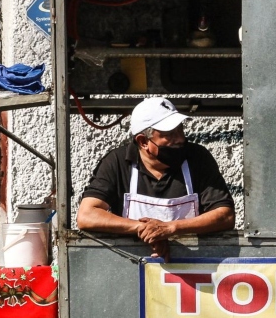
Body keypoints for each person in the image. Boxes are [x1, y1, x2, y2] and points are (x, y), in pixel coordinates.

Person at [77, 97, 235, 259]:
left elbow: (225, 215)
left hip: (192, 268)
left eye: (180, 130)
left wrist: (171, 228)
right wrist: (142, 229)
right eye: (170, 134)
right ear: (143, 141)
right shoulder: (117, 162)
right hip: (132, 267)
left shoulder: (197, 158)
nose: (179, 139)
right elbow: (87, 215)